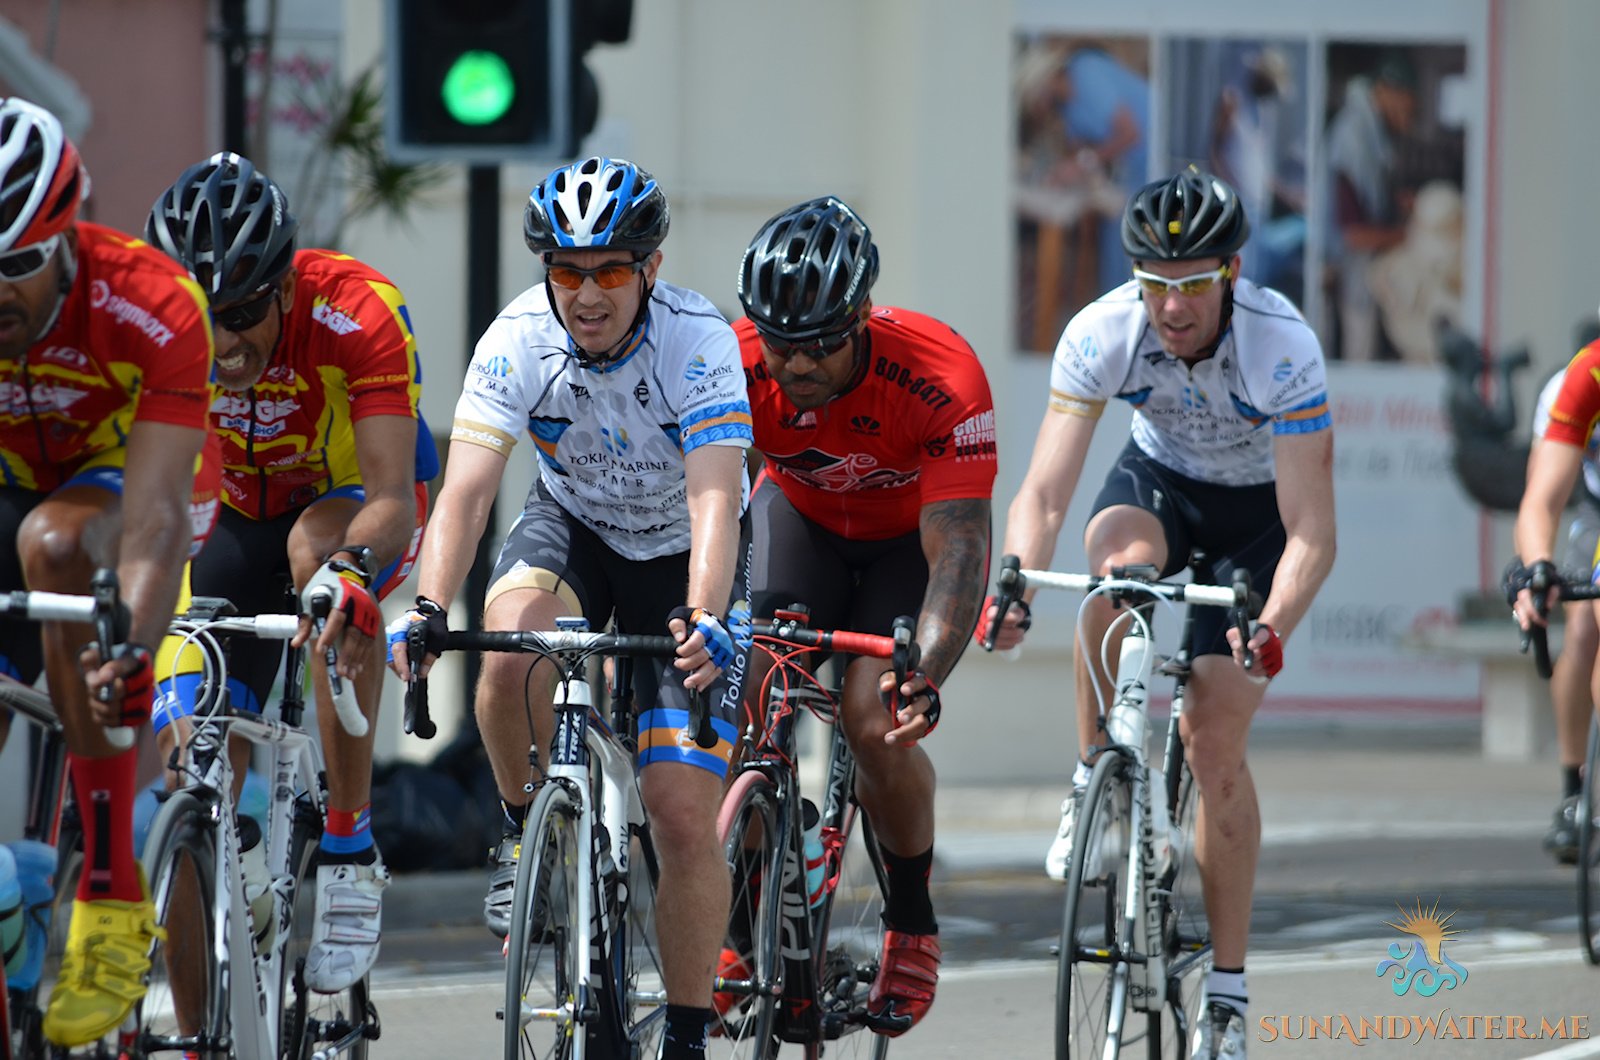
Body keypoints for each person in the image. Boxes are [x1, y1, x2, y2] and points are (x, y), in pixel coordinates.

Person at [387, 155, 752, 1060]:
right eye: (567, 271)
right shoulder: (515, 340)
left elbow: (716, 501)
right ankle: (526, 842)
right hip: (575, 528)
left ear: (650, 269)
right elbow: (468, 495)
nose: (588, 294)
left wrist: (705, 617)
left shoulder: (696, 342)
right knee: (507, 655)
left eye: (612, 271)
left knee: (675, 807)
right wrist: (431, 606)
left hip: (681, 558)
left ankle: (688, 1032)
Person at [982, 168, 1335, 1058]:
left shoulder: (1281, 348)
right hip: (1161, 487)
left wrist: (1271, 627)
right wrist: (1016, 579)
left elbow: (1312, 534)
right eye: (1155, 283)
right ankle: (1092, 773)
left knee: (1213, 738)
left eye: (1192, 283)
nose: (1172, 305)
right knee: (1117, 574)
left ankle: (1226, 993)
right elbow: (1046, 492)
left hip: (1258, 521)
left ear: (1230, 272)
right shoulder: (1102, 332)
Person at [144, 152, 432, 994]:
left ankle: (347, 841)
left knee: (315, 553)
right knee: (189, 777)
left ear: (283, 290)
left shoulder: (356, 310)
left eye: (239, 314)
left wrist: (350, 570)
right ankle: (202, 1034)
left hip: (349, 503)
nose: (223, 344)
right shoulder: (157, 329)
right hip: (233, 512)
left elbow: (392, 498)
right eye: (203, 320)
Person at [729, 197, 997, 1035]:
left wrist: (929, 671)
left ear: (860, 321)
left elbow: (958, 547)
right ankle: (743, 922)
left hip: (901, 548)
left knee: (872, 715)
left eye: (818, 347)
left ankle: (910, 919)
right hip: (798, 524)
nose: (795, 366)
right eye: (780, 344)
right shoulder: (732, 361)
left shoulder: (939, 372)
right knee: (746, 692)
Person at [0, 97, 218, 1046]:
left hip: (128, 481)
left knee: (53, 545)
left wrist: (129, 645)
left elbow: (161, 513)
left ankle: (109, 892)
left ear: (68, 243)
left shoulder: (153, 299)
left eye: (17, 264)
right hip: (10, 480)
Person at [1514, 321, 1600, 863]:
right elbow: (1540, 501)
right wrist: (1537, 571)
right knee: (1587, 624)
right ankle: (1575, 791)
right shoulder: (1584, 376)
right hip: (1598, 514)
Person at [1323, 52, 1417, 362]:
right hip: (1338, 276)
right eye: (1406, 98)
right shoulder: (1353, 136)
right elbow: (1352, 232)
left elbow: (1371, 202)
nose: (1410, 109)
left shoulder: (1373, 131)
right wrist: (1405, 236)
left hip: (1359, 274)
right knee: (1355, 356)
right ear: (1387, 91)